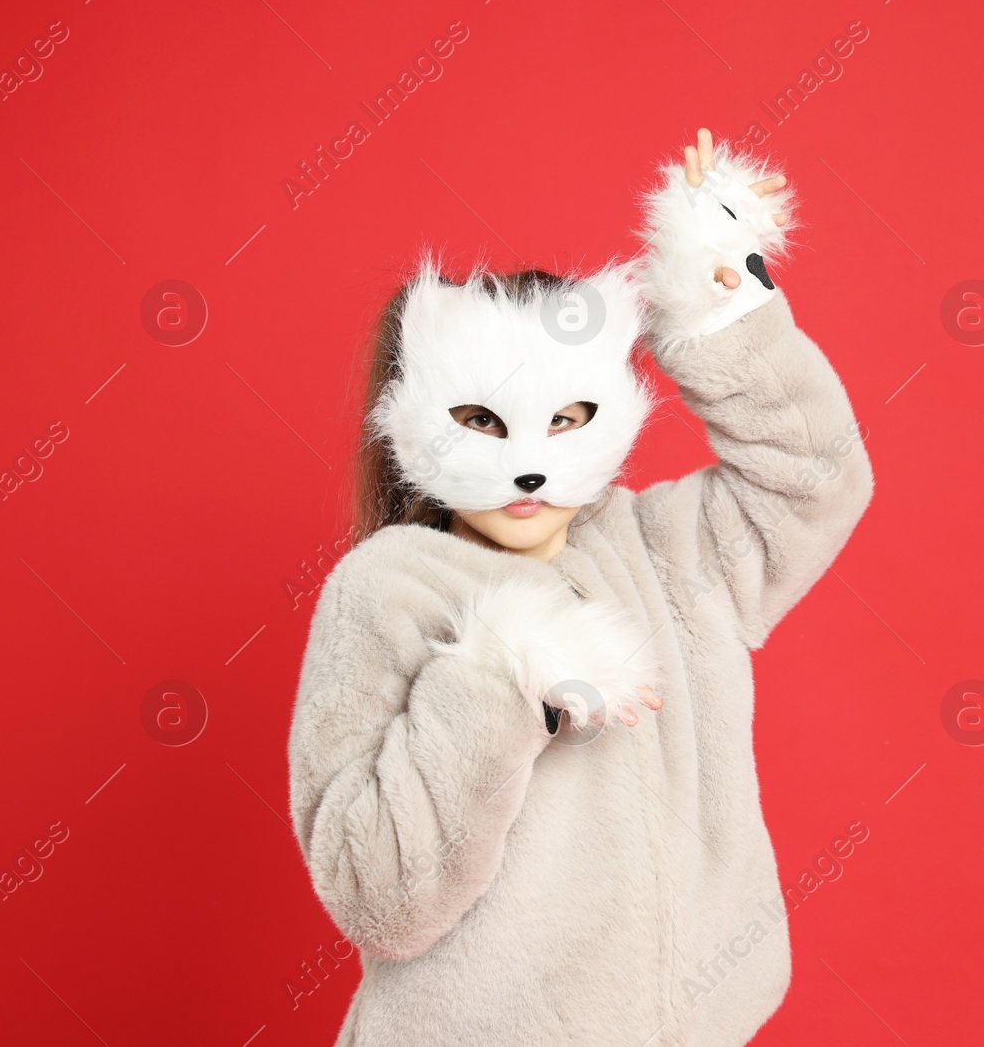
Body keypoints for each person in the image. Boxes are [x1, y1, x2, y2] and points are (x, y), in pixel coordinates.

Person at [286, 127, 874, 1045]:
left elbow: (816, 475)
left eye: (567, 418)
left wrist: (717, 306)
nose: (529, 463)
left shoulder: (669, 553)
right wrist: (494, 679)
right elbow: (379, 896)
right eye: (483, 419)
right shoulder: (383, 593)